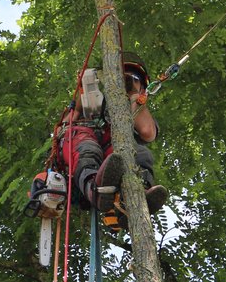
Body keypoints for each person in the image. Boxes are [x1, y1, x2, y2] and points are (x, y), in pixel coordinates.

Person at [59, 52, 168, 221]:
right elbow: (68, 123)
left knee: (141, 154)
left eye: (134, 78)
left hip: (110, 152)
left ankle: (136, 196)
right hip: (81, 147)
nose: (127, 80)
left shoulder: (135, 110)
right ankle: (95, 189)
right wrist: (84, 88)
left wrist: (133, 96)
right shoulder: (95, 101)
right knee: (87, 147)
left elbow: (147, 132)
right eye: (124, 76)